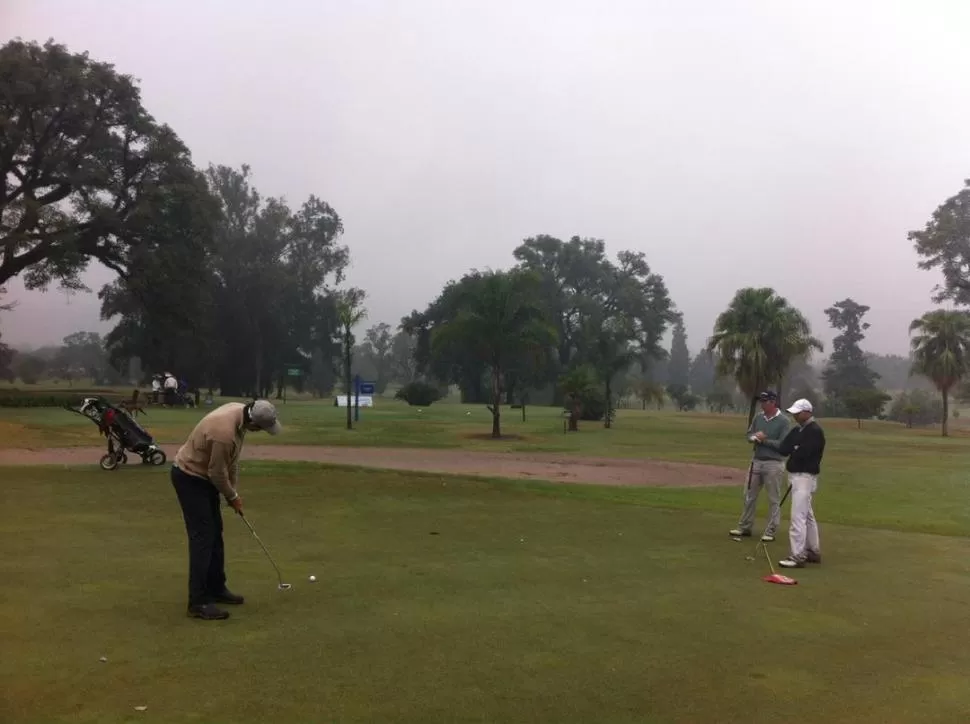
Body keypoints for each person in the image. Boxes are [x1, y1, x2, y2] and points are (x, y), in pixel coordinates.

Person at [170, 400, 282, 620]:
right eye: (261, 428)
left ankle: (216, 588)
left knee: (215, 533)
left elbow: (232, 462)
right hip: (189, 477)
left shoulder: (240, 415)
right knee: (203, 537)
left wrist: (234, 494)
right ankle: (198, 602)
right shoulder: (224, 434)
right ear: (253, 422)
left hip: (204, 477)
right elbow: (216, 473)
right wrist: (232, 496)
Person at [756, 398, 825, 569]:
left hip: (805, 477)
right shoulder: (798, 430)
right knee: (807, 515)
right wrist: (794, 447)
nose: (794, 415)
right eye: (793, 413)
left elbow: (804, 453)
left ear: (807, 412)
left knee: (798, 517)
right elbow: (784, 448)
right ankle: (813, 551)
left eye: (797, 412)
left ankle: (798, 555)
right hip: (795, 476)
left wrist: (795, 448)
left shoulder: (815, 431)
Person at [729, 390, 791, 542]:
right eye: (761, 401)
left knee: (773, 498)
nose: (762, 404)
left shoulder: (784, 421)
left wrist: (764, 440)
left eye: (765, 401)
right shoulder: (758, 417)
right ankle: (745, 527)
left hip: (774, 463)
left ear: (773, 402)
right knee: (749, 495)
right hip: (756, 460)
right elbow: (749, 435)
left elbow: (783, 444)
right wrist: (754, 438)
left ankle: (771, 531)